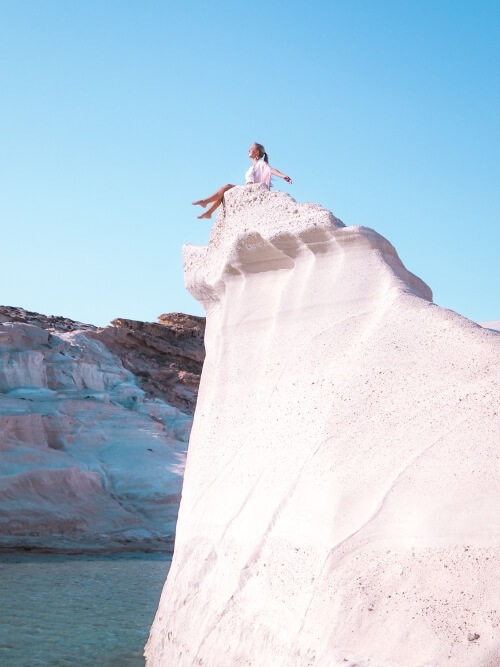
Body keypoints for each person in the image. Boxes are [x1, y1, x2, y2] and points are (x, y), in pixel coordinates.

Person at [192, 143, 292, 219]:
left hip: (252, 191)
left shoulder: (261, 163)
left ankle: (205, 202)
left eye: (251, 148)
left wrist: (283, 176)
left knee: (227, 186)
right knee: (225, 192)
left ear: (256, 152)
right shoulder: (252, 166)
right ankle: (209, 212)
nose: (249, 150)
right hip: (247, 189)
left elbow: (271, 170)